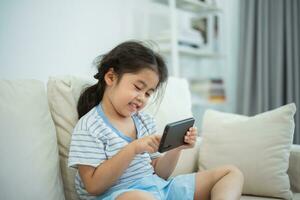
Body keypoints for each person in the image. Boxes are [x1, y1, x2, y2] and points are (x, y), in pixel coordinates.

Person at [68, 41, 244, 200]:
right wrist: (133, 148)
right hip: (120, 196)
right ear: (111, 77)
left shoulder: (144, 121)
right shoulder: (89, 126)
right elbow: (93, 186)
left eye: (148, 93)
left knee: (230, 173)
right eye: (138, 87)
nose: (142, 98)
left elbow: (160, 174)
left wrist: (177, 148)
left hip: (158, 189)